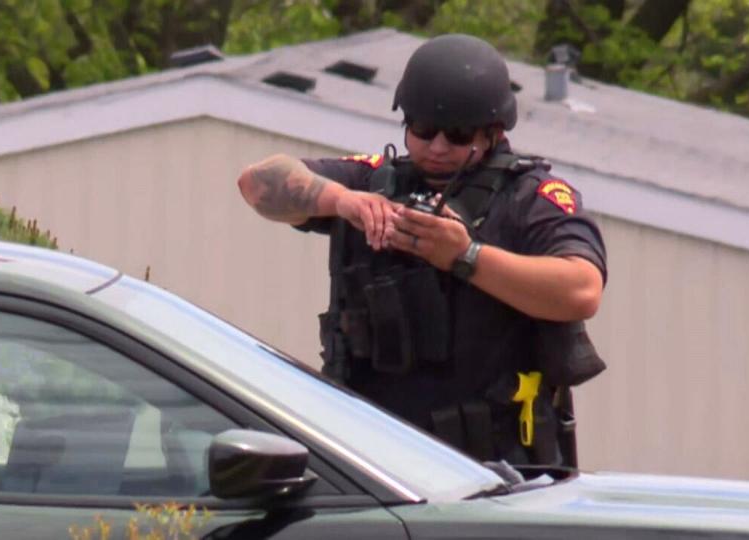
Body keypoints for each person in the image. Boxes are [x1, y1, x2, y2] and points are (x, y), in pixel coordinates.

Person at [236, 33, 607, 467]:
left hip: (490, 469)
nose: (437, 147)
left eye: (457, 134)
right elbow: (255, 183)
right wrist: (342, 201)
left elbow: (582, 290)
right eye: (423, 130)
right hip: (371, 459)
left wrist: (466, 257)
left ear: (495, 131)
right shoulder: (372, 180)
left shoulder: (531, 198)